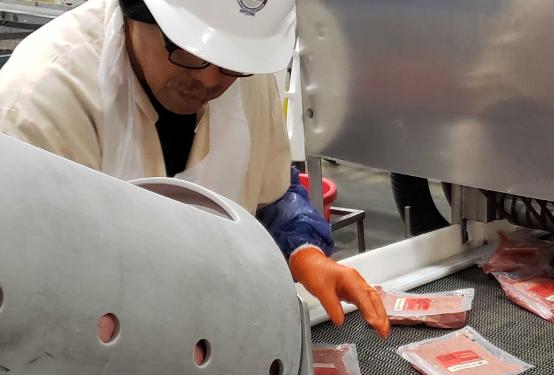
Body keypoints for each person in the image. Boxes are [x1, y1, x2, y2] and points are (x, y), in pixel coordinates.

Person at [0, 0, 389, 337]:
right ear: (136, 12)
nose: (209, 79)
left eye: (231, 63)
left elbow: (272, 195)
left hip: (210, 331)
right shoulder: (40, 101)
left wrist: (305, 253)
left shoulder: (244, 74)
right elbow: (27, 293)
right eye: (187, 50)